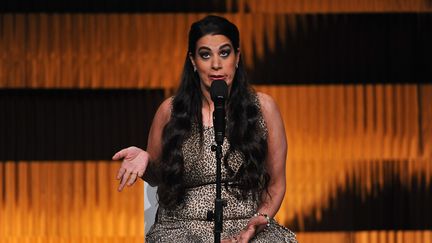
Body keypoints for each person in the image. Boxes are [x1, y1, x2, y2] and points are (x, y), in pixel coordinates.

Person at [113, 15, 297, 243]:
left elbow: (276, 184)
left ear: (237, 57)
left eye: (224, 53)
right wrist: (146, 161)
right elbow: (157, 177)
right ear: (193, 61)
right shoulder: (170, 111)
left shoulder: (263, 108)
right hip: (181, 228)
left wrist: (257, 222)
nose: (216, 64)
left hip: (248, 226)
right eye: (205, 55)